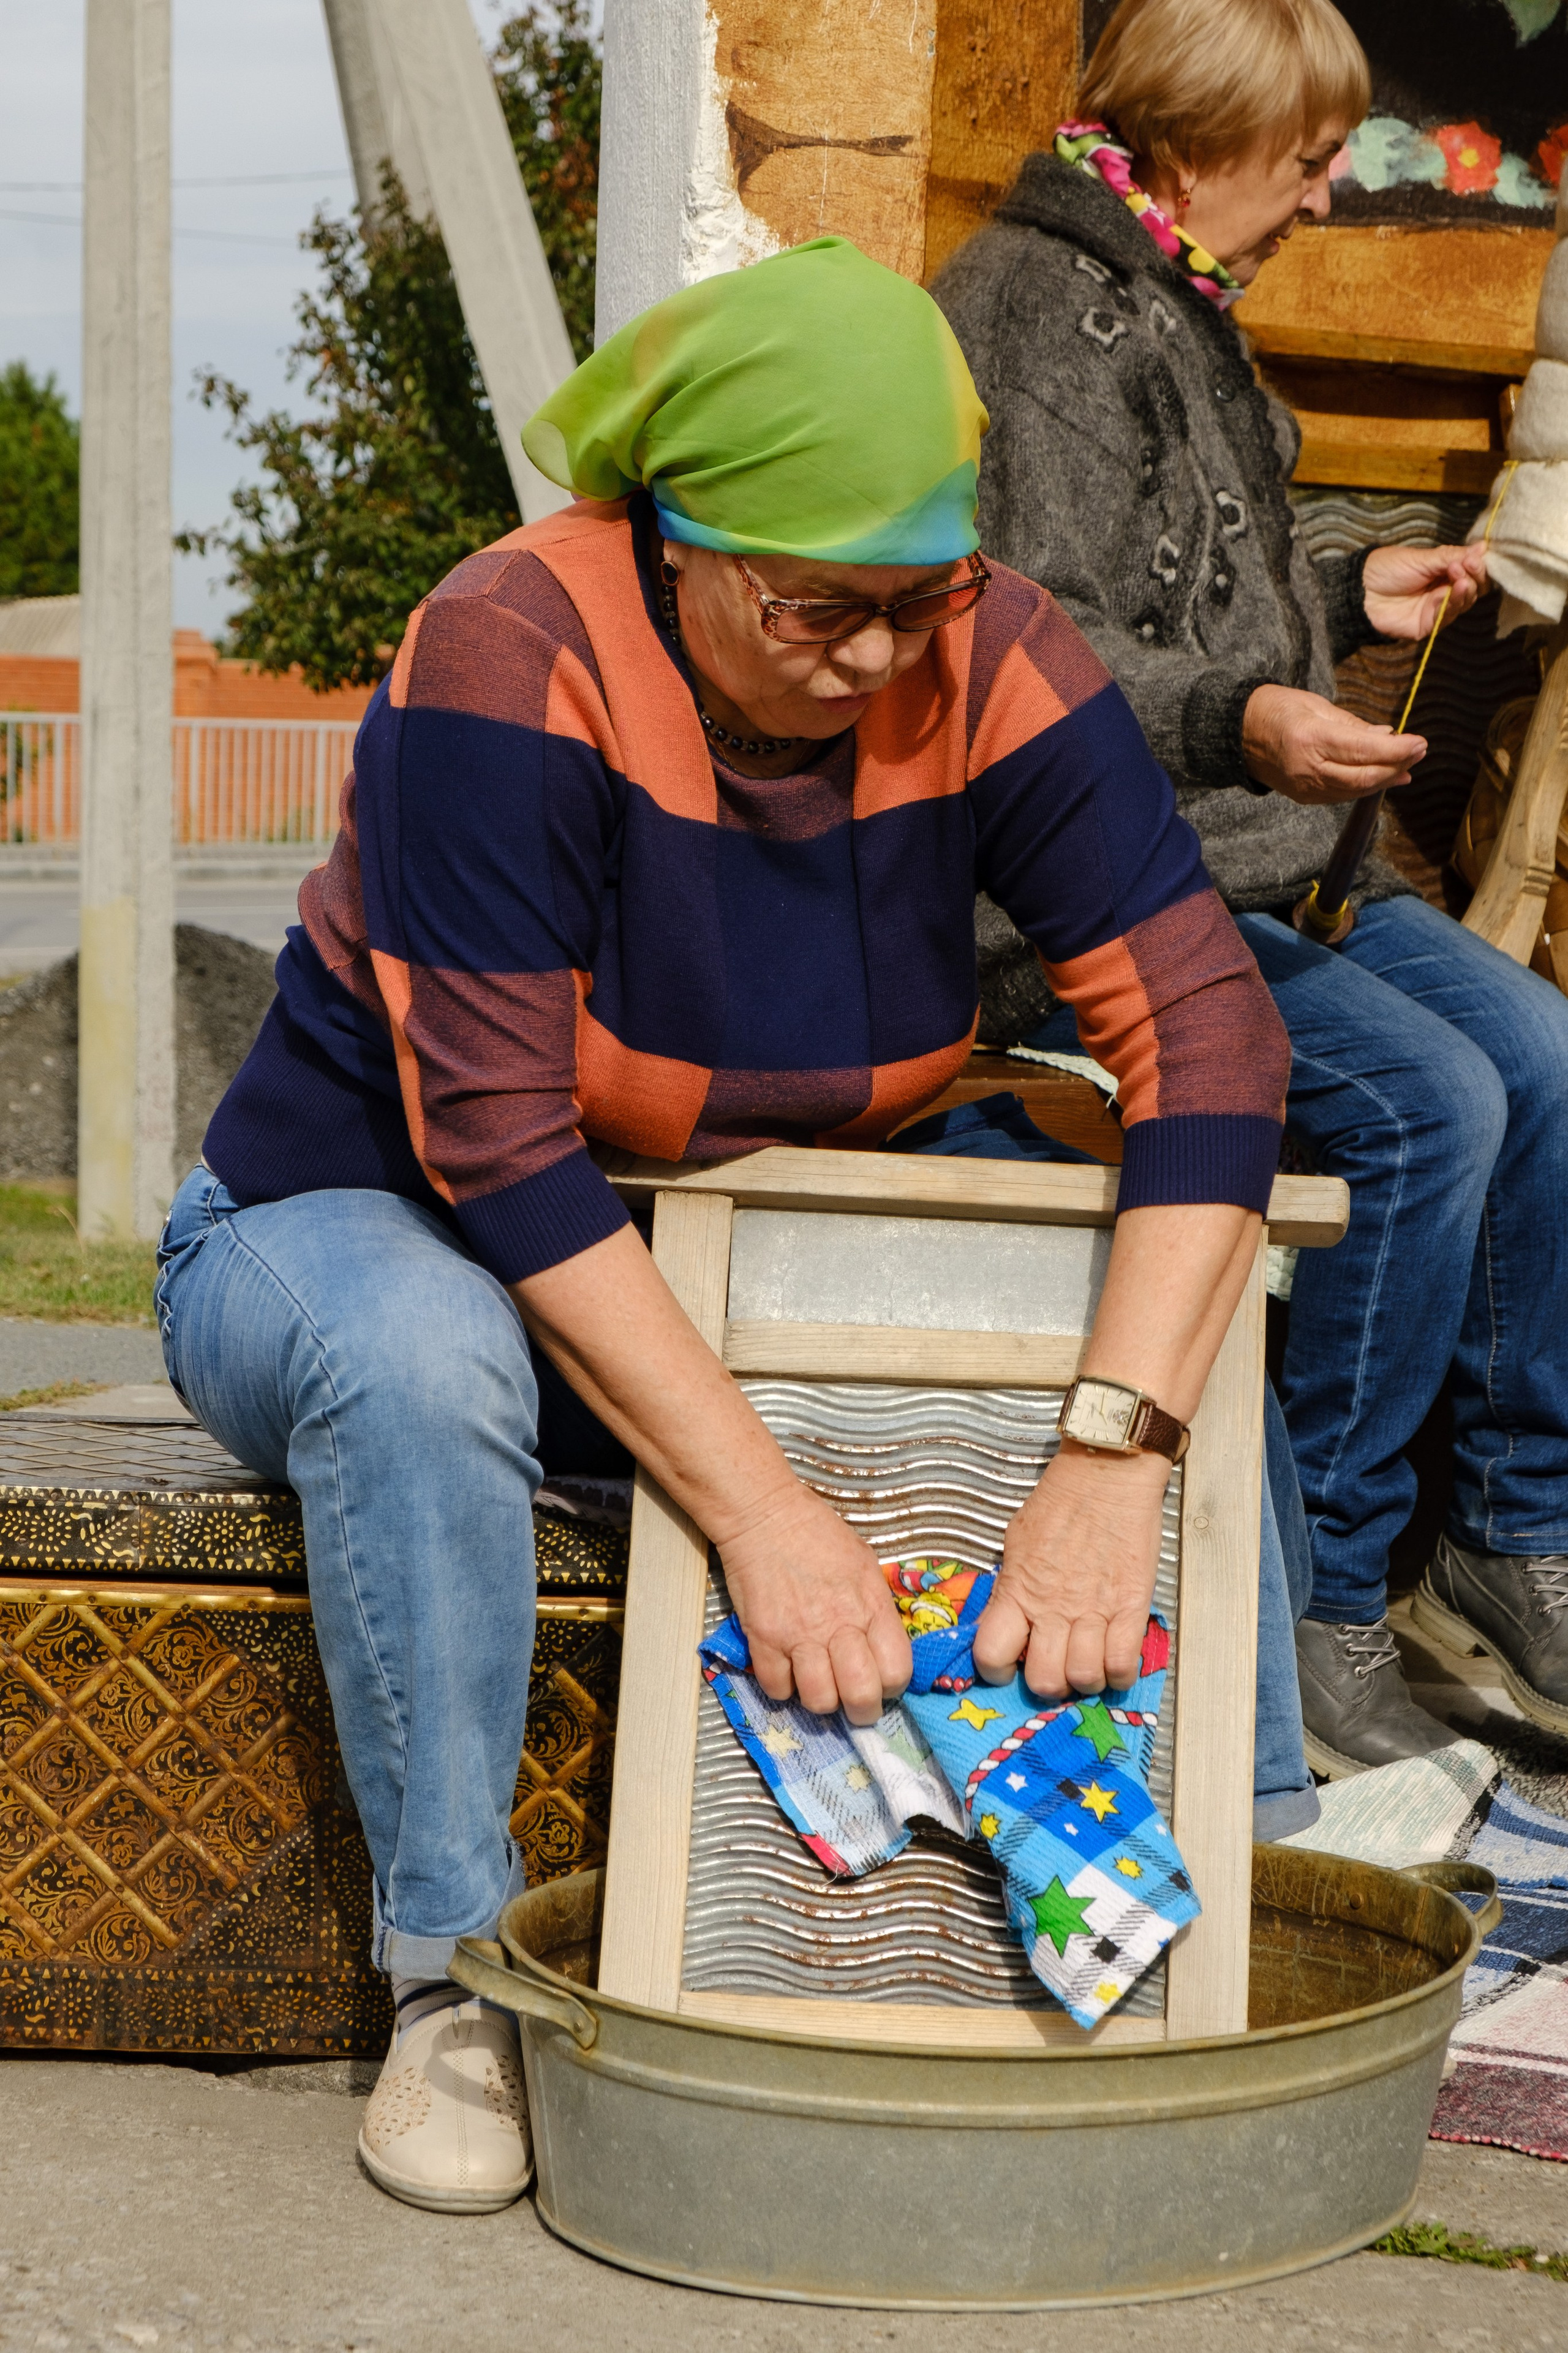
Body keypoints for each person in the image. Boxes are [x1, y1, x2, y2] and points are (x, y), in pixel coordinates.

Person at [157, 238, 1297, 2216]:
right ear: (678, 536)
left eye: (919, 598)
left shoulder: (993, 651)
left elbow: (1207, 1033)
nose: (877, 659)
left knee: (1175, 1300)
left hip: (731, 1250)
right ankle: (453, 1980)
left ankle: (1260, 1896)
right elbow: (505, 1150)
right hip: (363, 1216)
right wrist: (770, 1516)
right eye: (820, 610)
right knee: (423, 1361)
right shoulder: (512, 653)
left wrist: (1117, 1451)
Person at [933, 0, 1568, 1780]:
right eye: (1305, 165)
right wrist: (1250, 718)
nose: (1322, 202)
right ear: (1205, 153)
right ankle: (1326, 1594)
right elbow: (1035, 642)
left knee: (1545, 1056)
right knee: (1428, 1109)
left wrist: (1349, 587)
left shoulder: (1169, 287)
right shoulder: (1038, 322)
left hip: (1264, 876)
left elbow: (1196, 555)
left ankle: (1508, 1537)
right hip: (1084, 910)